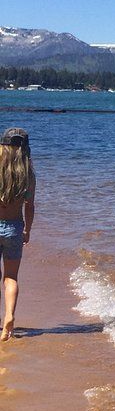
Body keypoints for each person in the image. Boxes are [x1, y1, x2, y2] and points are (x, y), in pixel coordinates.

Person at [0, 127, 35, 342]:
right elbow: (29, 206)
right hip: (13, 228)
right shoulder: (28, 174)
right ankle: (10, 315)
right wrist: (27, 230)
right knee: (11, 277)